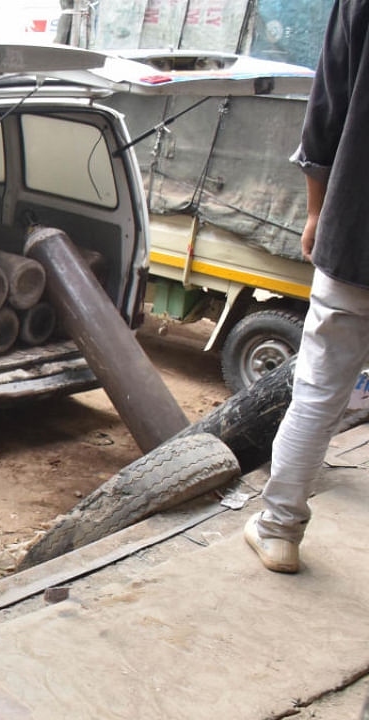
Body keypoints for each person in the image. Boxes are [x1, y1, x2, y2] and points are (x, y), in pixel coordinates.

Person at [244, 0, 369, 573]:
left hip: (358, 231)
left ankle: (279, 533)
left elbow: (329, 110)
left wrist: (317, 212)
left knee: (319, 390)